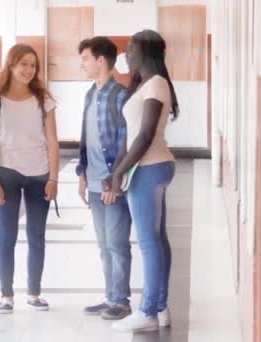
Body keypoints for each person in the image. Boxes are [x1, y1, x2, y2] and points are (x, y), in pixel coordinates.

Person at [109, 29, 179, 333]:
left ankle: (148, 310)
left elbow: (145, 135)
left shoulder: (156, 84)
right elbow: (133, 132)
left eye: (131, 48)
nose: (127, 53)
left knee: (149, 243)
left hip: (149, 168)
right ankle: (161, 307)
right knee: (158, 241)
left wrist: (119, 171)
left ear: (146, 53)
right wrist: (119, 168)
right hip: (152, 167)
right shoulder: (147, 84)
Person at [0, 44, 59, 314]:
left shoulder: (44, 100)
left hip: (39, 174)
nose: (28, 70)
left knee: (36, 235)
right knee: (7, 235)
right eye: (23, 64)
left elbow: (52, 141)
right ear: (11, 65)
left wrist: (54, 178)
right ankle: (6, 296)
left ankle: (34, 293)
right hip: (7, 172)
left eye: (33, 65)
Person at [76, 37, 133, 321]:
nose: (81, 63)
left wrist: (115, 180)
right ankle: (111, 297)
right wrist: (82, 174)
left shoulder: (121, 95)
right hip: (95, 181)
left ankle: (121, 301)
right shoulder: (90, 94)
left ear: (101, 60)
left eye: (85, 58)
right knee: (103, 245)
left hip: (113, 183)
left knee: (117, 243)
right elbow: (85, 137)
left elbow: (126, 142)